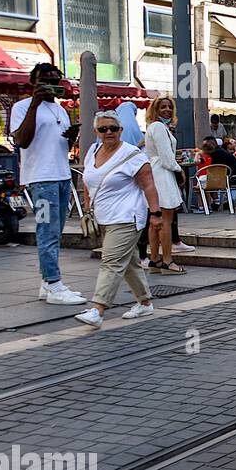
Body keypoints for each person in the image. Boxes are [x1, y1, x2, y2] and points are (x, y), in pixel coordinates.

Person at [73, 111, 161, 328]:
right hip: (103, 217)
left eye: (113, 128)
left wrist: (156, 214)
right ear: (96, 132)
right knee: (129, 262)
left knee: (111, 262)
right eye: (103, 129)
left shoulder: (132, 155)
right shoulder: (93, 151)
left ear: (121, 130)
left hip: (127, 217)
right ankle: (145, 302)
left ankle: (98, 309)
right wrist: (87, 208)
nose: (109, 132)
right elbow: (88, 181)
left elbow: (149, 184)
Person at [11, 64, 86, 305]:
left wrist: (71, 136)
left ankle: (47, 283)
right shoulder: (21, 107)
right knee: (47, 232)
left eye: (55, 79)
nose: (51, 84)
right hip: (41, 180)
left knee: (56, 231)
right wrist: (34, 103)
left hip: (63, 176)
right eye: (45, 79)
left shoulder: (60, 110)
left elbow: (58, 144)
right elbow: (22, 140)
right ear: (33, 81)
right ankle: (54, 284)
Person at [143, 97, 187, 275]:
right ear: (155, 109)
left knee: (155, 223)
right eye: (162, 107)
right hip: (162, 174)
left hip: (155, 173)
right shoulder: (159, 128)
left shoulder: (153, 127)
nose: (167, 110)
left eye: (169, 107)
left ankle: (154, 260)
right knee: (166, 222)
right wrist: (179, 170)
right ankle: (168, 261)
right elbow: (167, 157)